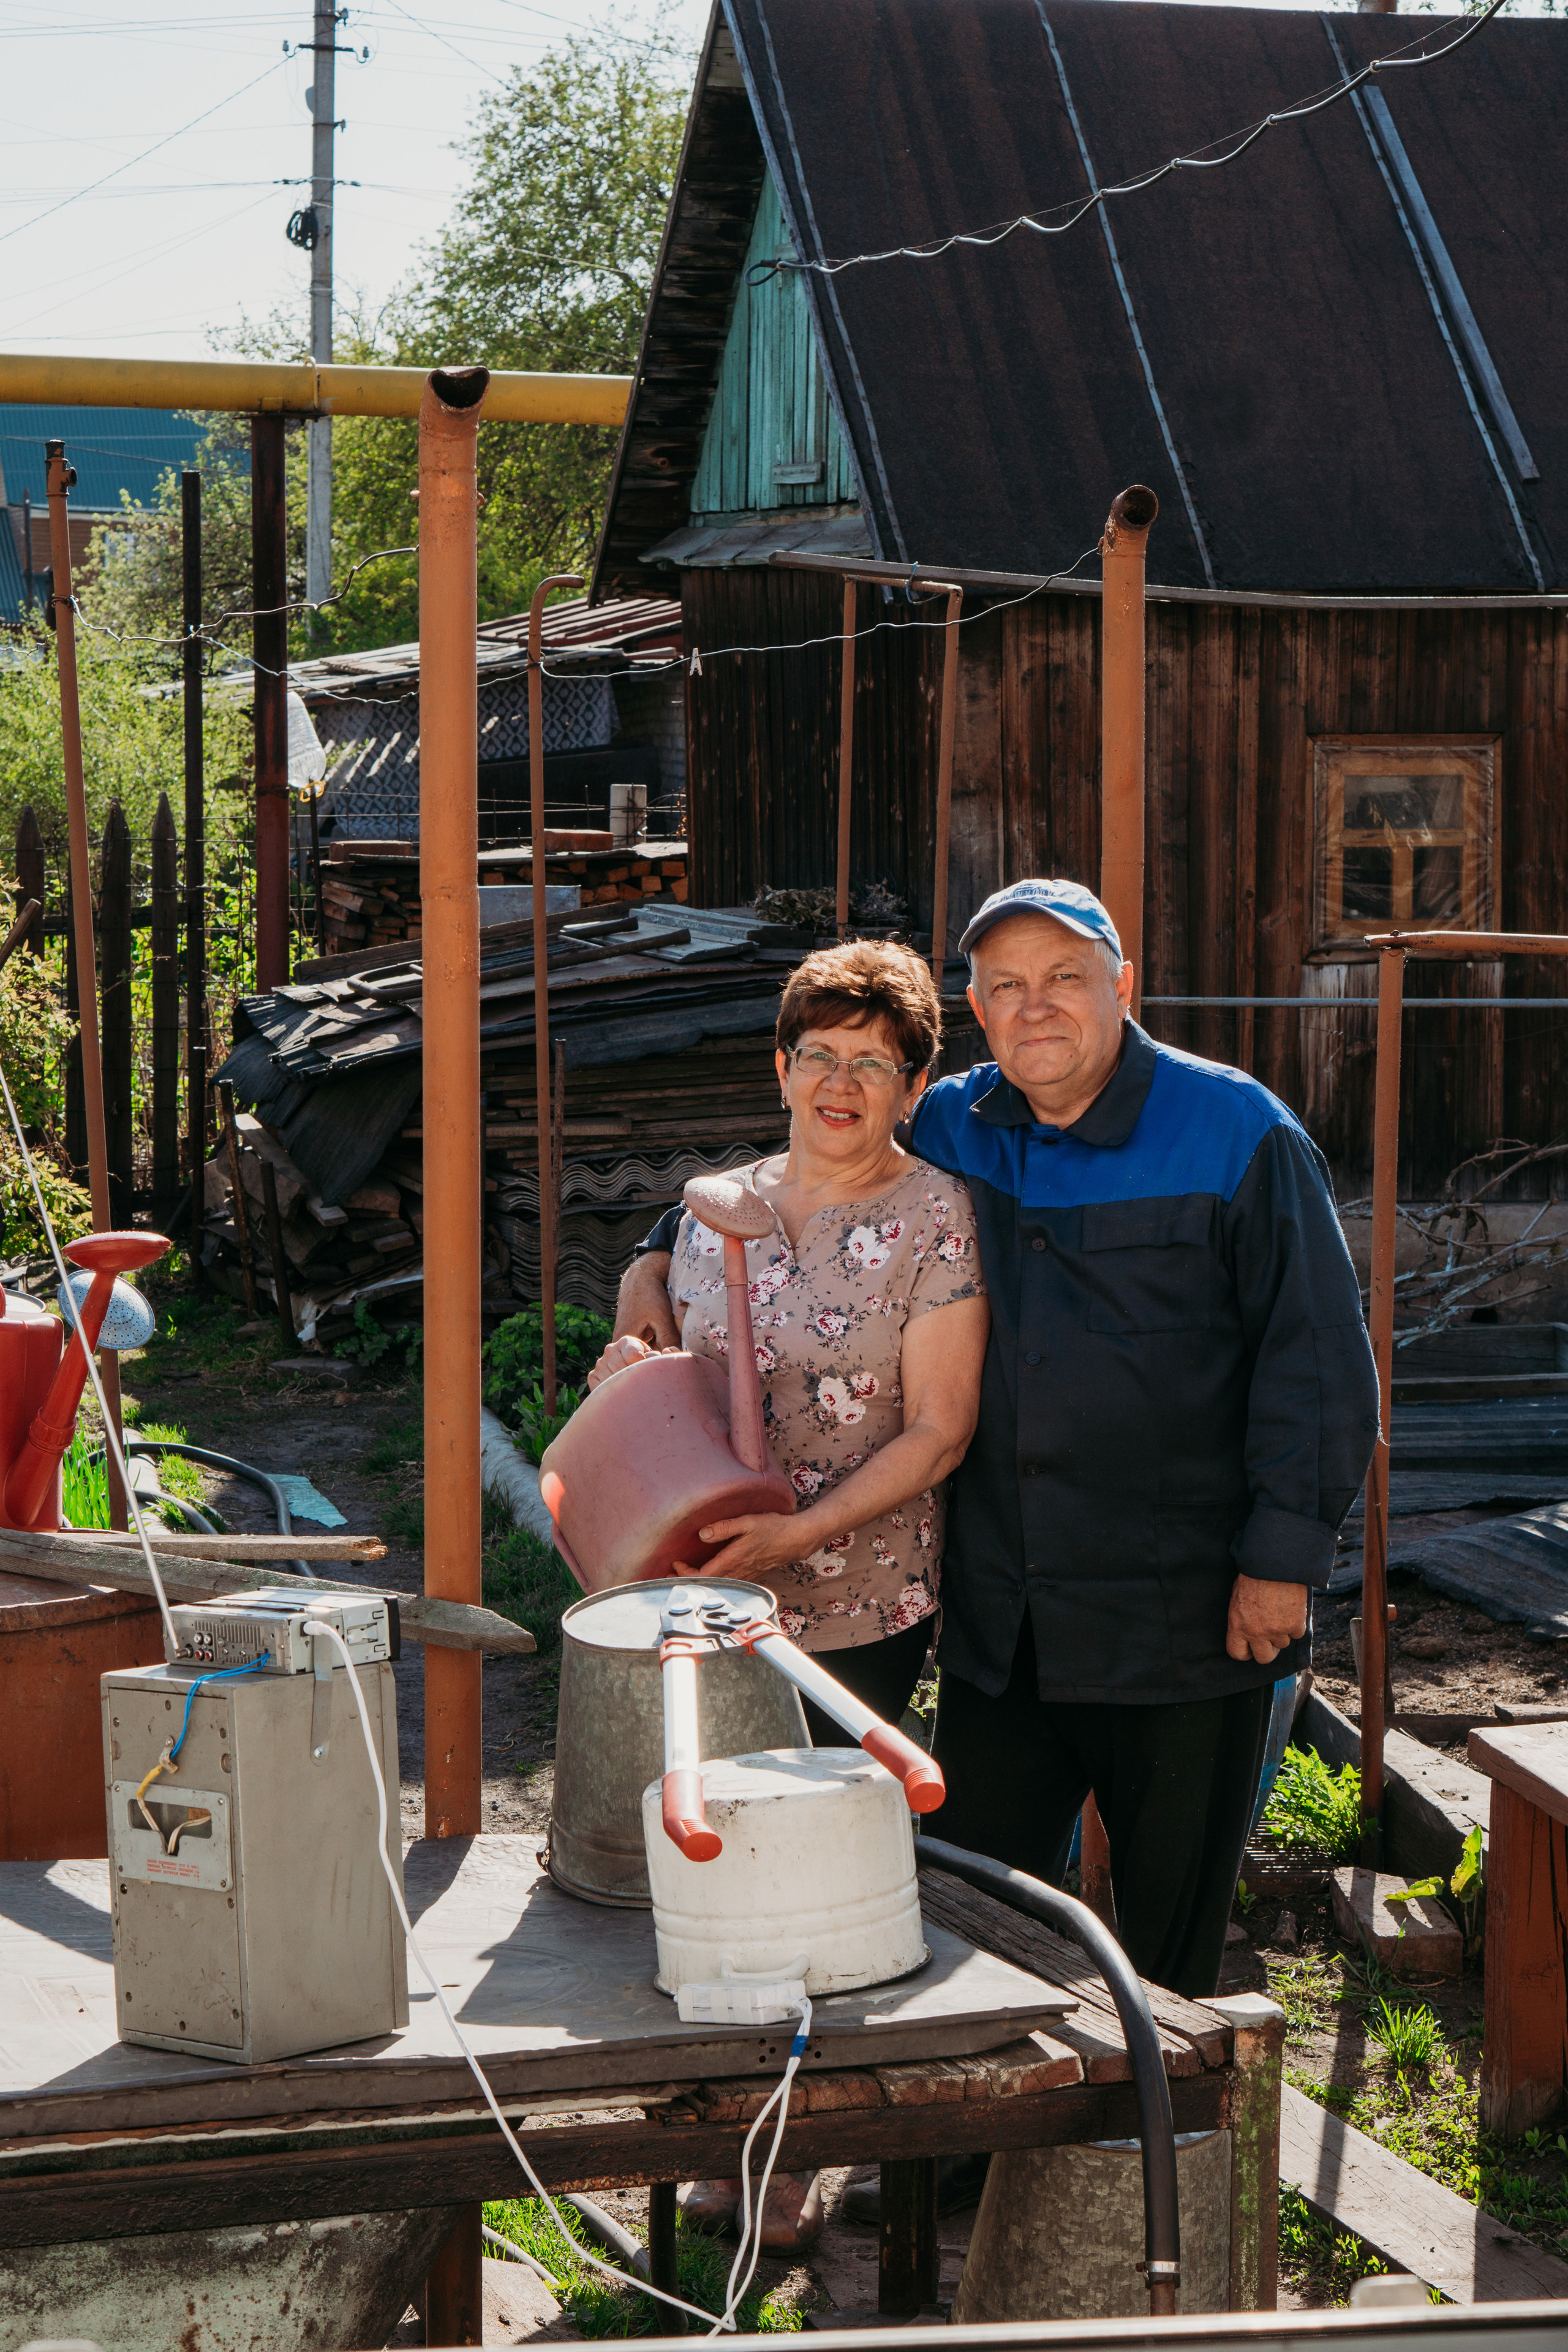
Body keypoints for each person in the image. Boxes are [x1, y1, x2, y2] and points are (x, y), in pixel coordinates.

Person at [900, 877, 1379, 2003]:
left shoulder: (1239, 1131)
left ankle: (1140, 2166)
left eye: (1065, 978)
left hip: (1187, 1621)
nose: (1037, 1008)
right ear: (977, 1007)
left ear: (1124, 985)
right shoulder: (946, 1125)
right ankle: (970, 2168)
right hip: (1004, 1624)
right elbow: (808, 1181)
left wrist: (1280, 1564)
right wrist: (652, 1259)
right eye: (1007, 987)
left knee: (1168, 1945)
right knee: (977, 1915)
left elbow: (1315, 1362)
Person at [600, 937, 990, 2246]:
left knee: (813, 1875)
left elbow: (938, 1431)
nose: (838, 1082)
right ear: (778, 1067)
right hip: (705, 1587)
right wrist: (632, 1319)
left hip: (856, 1596)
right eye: (816, 1054)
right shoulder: (724, 1200)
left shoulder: (933, 1215)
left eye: (871, 1064)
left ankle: (799, 2156)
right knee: (713, 1856)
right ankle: (725, 2135)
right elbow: (648, 1291)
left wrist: (803, 1533)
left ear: (912, 1087)